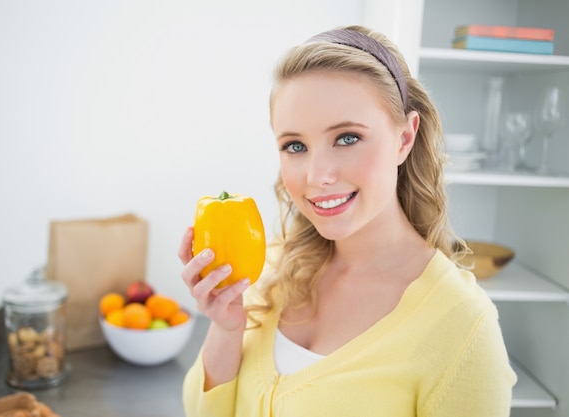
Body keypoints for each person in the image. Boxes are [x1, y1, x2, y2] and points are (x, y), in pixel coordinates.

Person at [177, 25, 517, 417]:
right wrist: (226, 327)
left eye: (347, 138)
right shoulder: (267, 268)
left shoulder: (463, 328)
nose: (316, 176)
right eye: (295, 146)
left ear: (404, 138)